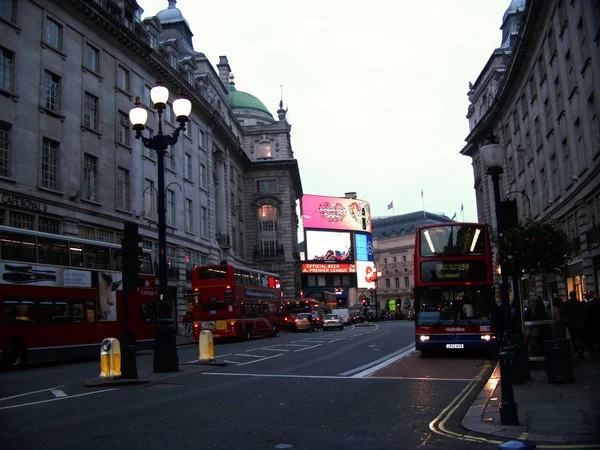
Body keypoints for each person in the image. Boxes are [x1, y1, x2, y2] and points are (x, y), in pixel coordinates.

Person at [561, 290, 586, 357]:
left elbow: (563, 313)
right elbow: (583, 313)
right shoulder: (580, 303)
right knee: (580, 338)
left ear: (570, 296)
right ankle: (580, 349)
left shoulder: (567, 304)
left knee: (573, 338)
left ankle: (576, 351)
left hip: (571, 324)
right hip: (580, 323)